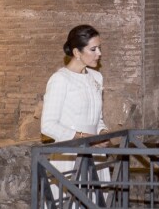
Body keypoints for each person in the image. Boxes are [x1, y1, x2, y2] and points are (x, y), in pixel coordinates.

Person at [41, 24, 110, 203]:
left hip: (95, 156)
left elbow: (97, 118)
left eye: (99, 48)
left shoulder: (97, 78)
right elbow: (48, 125)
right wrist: (82, 138)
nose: (99, 53)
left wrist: (102, 132)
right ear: (77, 53)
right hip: (70, 156)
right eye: (93, 49)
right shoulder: (60, 80)